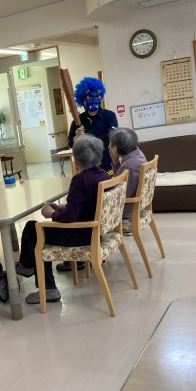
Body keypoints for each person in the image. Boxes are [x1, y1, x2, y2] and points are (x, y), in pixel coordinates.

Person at [15, 134, 110, 304]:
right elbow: (84, 207)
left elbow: (69, 218)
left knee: (33, 229)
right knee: (34, 228)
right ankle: (27, 265)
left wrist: (51, 214)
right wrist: (59, 208)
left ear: (77, 159)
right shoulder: (104, 176)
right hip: (94, 232)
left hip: (79, 235)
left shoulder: (79, 180)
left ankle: (43, 283)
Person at [58, 77, 118, 272]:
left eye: (97, 96)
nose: (93, 100)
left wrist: (88, 138)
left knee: (99, 207)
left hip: (103, 167)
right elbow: (70, 142)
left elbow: (112, 136)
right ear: (82, 99)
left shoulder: (109, 116)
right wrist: (76, 138)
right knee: (84, 206)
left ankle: (95, 247)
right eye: (89, 97)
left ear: (101, 96)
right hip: (84, 169)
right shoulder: (78, 120)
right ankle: (84, 251)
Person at [109, 127, 147, 223]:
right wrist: (115, 161)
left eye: (110, 144)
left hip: (127, 212)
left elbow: (120, 194)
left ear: (115, 148)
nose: (108, 146)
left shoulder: (128, 166)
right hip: (137, 206)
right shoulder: (138, 153)